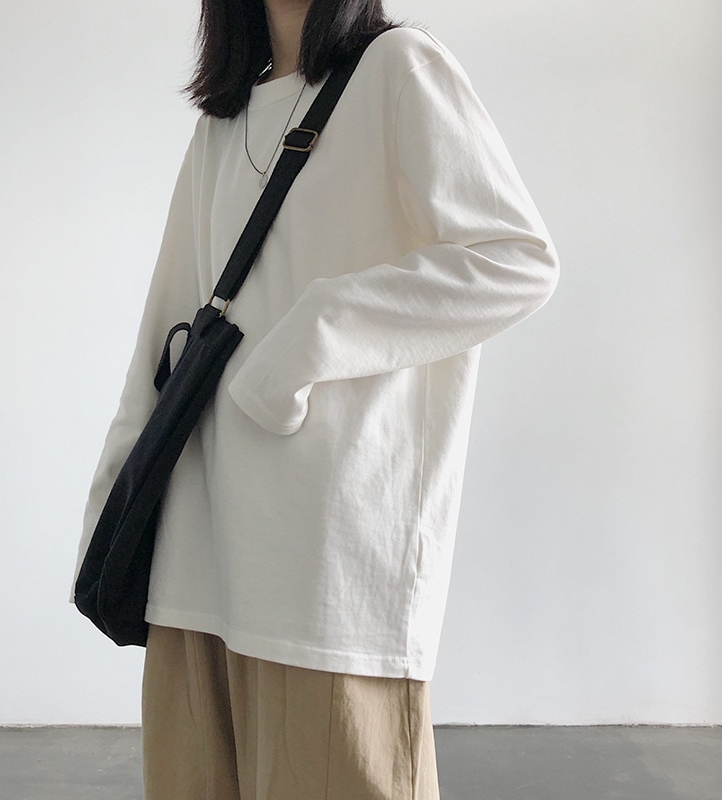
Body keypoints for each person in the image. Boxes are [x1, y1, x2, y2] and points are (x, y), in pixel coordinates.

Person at [70, 0, 559, 797]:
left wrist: (313, 332)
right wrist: (111, 508)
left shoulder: (399, 68)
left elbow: (515, 259)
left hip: (325, 564)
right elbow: (165, 329)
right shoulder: (224, 119)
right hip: (194, 558)